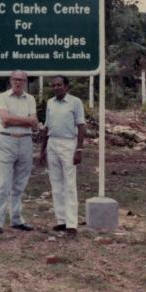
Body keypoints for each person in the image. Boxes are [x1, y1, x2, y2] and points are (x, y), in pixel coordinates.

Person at [0, 70, 38, 233]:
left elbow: (35, 123)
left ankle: (17, 219)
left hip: (26, 141)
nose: (18, 83)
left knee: (20, 183)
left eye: (22, 80)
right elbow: (5, 120)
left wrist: (17, 120)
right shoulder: (2, 97)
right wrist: (27, 120)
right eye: (15, 79)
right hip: (7, 140)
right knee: (4, 183)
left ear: (25, 82)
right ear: (11, 81)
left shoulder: (30, 99)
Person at [39, 75, 85, 236]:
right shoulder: (50, 103)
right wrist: (42, 149)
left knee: (69, 183)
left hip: (68, 144)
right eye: (54, 85)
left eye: (59, 85)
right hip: (52, 143)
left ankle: (72, 224)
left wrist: (79, 150)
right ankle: (61, 221)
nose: (56, 87)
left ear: (66, 87)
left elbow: (81, 126)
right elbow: (46, 126)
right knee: (56, 183)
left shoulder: (75, 102)